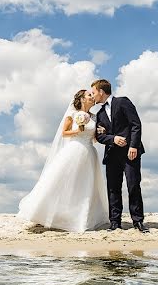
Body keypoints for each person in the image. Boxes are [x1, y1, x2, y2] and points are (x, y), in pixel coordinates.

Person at [17, 89, 109, 232]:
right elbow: (64, 133)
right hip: (73, 151)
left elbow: (94, 139)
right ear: (82, 99)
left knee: (85, 185)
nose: (92, 97)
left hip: (89, 152)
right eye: (89, 95)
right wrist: (77, 131)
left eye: (92, 94)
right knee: (62, 182)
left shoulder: (94, 117)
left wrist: (101, 133)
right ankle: (46, 213)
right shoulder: (72, 114)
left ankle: (80, 218)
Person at [90, 79, 149, 232]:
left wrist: (133, 146)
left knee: (133, 186)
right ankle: (115, 222)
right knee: (113, 189)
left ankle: (138, 221)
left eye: (94, 92)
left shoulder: (122, 102)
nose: (93, 95)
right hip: (112, 155)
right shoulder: (100, 114)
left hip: (131, 152)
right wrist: (113, 139)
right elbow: (100, 136)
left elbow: (136, 124)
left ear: (101, 91)